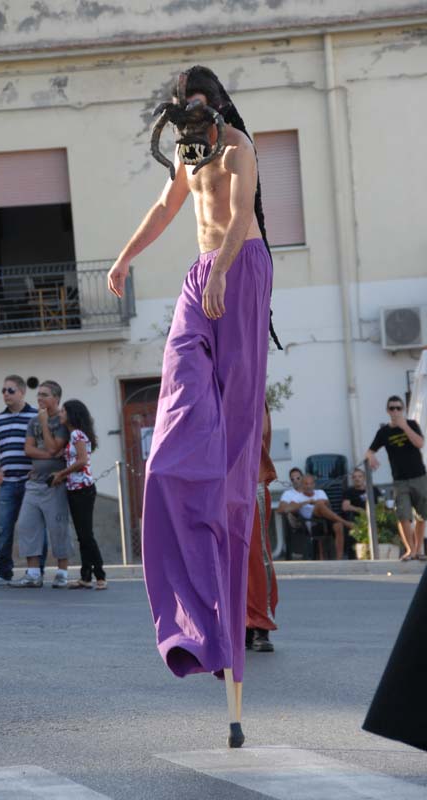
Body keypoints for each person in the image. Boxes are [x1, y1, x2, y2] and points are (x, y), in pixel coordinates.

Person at [108, 65, 275, 747]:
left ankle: (233, 610)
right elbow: (166, 209)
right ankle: (191, 596)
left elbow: (238, 216)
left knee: (235, 453)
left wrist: (228, 270)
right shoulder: (189, 149)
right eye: (184, 116)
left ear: (215, 108)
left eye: (199, 111)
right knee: (175, 438)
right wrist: (123, 257)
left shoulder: (237, 145)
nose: (194, 124)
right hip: (201, 273)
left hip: (244, 266)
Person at [10, 381, 72, 589]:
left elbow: (56, 445)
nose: (40, 399)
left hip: (55, 484)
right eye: (38, 395)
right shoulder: (33, 421)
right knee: (27, 525)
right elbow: (29, 449)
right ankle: (33, 574)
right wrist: (48, 455)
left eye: (44, 395)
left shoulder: (62, 421)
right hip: (34, 482)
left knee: (58, 527)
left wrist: (45, 424)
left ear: (56, 398)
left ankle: (62, 573)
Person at [0, 375, 37, 586]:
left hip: (31, 484)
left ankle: (35, 571)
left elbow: (43, 444)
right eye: (3, 391)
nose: (6, 394)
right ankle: (2, 572)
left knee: (33, 527)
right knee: (3, 527)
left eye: (10, 390)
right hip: (7, 483)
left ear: (22, 392)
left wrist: (37, 470)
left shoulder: (36, 416)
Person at [51, 400, 107, 590]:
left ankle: (100, 575)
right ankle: (85, 576)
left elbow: (82, 460)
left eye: (64, 411)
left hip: (83, 489)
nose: (60, 413)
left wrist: (61, 474)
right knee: (82, 536)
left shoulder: (76, 434)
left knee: (86, 535)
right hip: (75, 489)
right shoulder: (73, 435)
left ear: (72, 414)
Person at [365, 395, 427, 561]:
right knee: (403, 515)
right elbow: (370, 450)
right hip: (399, 480)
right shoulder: (384, 432)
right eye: (392, 408)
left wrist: (405, 427)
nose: (395, 411)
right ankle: (411, 550)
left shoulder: (412, 424)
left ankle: (419, 549)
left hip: (419, 476)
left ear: (403, 410)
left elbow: (420, 443)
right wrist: (371, 457)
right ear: (387, 411)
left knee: (422, 516)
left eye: (398, 408)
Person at [246, 404, 278, 653]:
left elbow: (260, 429)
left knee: (257, 555)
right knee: (229, 558)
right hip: (220, 481)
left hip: (250, 480)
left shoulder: (251, 386)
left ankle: (260, 624)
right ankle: (241, 623)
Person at [277, 473, 353, 559]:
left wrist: (317, 502)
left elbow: (328, 506)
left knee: (338, 525)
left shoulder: (320, 492)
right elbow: (285, 510)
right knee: (320, 504)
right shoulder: (297, 497)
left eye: (311, 483)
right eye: (306, 484)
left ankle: (339, 559)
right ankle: (346, 522)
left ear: (314, 484)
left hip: (326, 521)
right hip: (313, 525)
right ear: (302, 485)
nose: (309, 486)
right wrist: (305, 502)